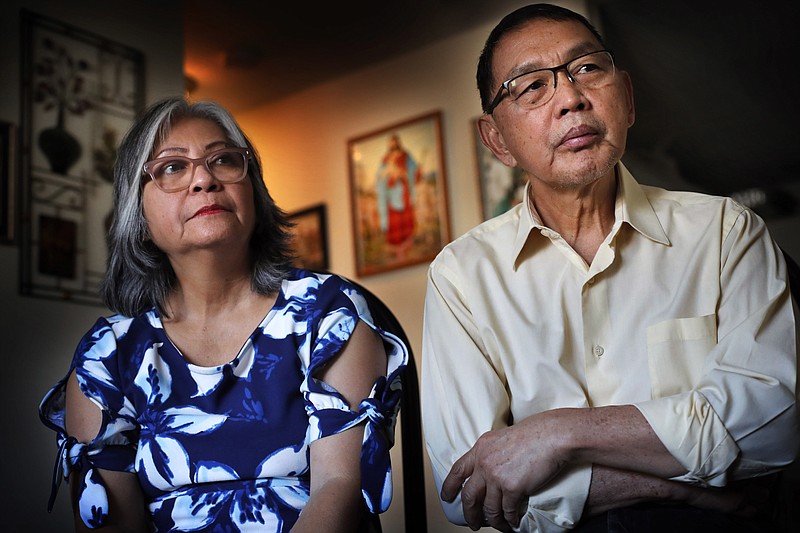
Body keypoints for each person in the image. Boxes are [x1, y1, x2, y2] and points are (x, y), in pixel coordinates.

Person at [421, 4, 798, 533]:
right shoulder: (461, 276)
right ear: (497, 140)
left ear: (627, 99)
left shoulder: (724, 231)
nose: (571, 98)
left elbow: (774, 427)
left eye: (588, 69)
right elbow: (469, 495)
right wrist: (672, 488)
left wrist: (555, 434)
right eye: (531, 86)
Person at [39, 97, 408, 532]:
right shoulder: (109, 356)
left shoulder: (327, 312)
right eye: (173, 167)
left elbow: (341, 489)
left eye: (224, 160)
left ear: (253, 190)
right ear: (137, 215)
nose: (204, 179)